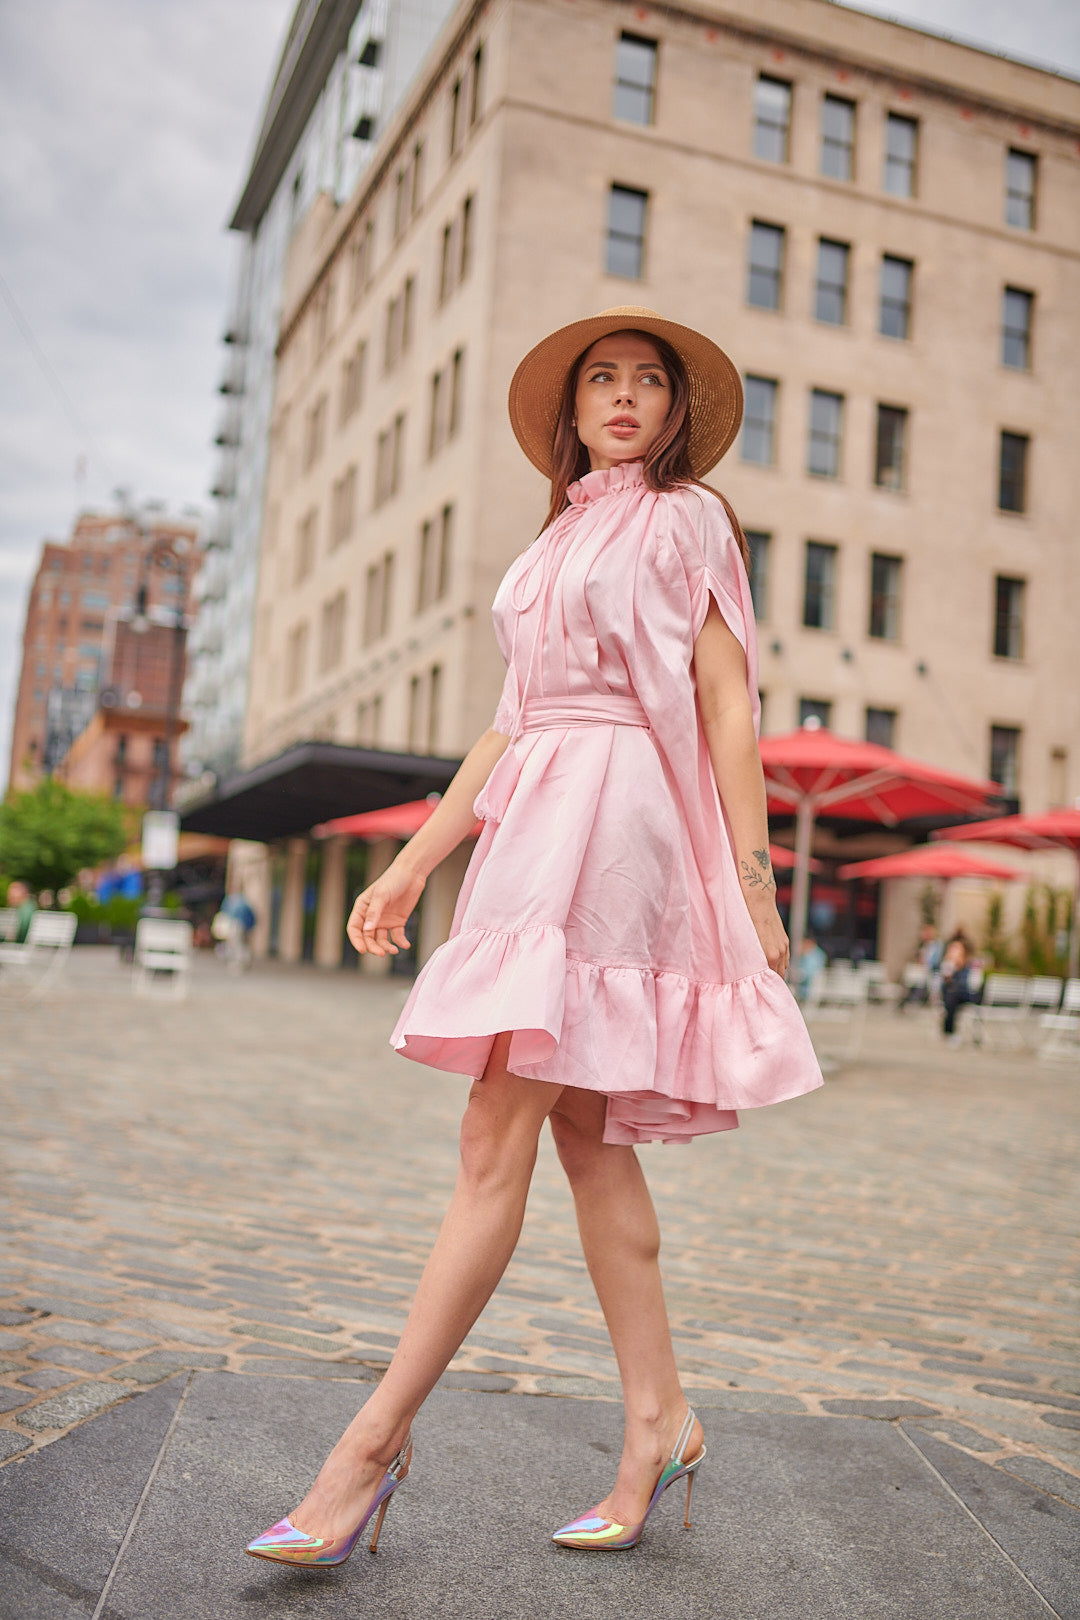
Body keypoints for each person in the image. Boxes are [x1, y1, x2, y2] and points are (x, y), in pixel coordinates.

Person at [246, 307, 824, 1569]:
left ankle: (369, 1449)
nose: (623, 396)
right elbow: (507, 728)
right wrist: (409, 864)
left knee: (494, 1128)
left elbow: (727, 703)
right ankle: (658, 1418)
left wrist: (753, 876)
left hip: (619, 831)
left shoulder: (689, 521)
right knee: (582, 1134)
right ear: (569, 411)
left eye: (648, 382)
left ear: (678, 412)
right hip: (529, 832)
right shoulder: (555, 536)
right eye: (601, 380)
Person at [940, 933, 975, 1041]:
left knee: (951, 997)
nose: (954, 951)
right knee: (951, 997)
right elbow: (943, 986)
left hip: (966, 994)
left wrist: (959, 967)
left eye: (956, 948)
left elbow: (968, 984)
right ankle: (949, 1032)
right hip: (952, 996)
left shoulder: (969, 964)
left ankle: (949, 1031)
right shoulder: (948, 964)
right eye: (952, 948)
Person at [792, 934, 828, 1004]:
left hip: (808, 988)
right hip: (810, 986)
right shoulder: (818, 954)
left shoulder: (812, 956)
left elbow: (807, 974)